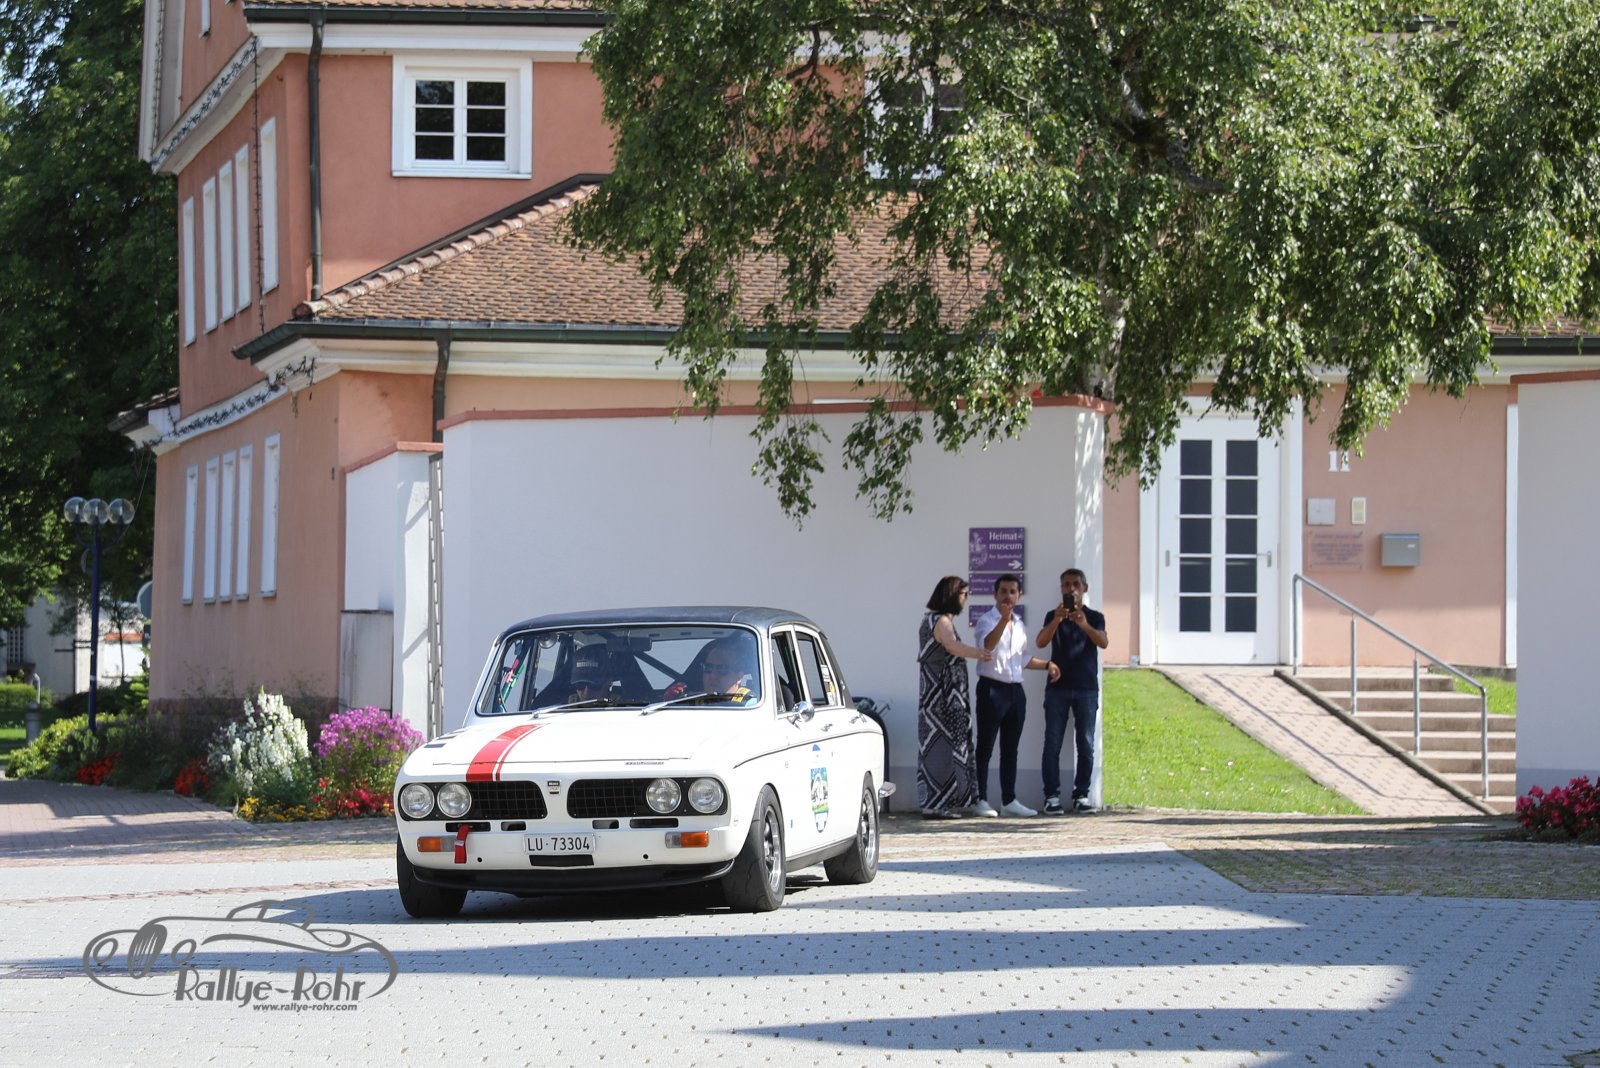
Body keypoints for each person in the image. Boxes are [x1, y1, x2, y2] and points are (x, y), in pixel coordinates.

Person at [973, 573, 1060, 817]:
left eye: (1012, 592)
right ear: (995, 594)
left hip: (1015, 691)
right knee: (985, 747)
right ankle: (980, 799)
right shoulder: (986, 620)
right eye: (1003, 591)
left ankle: (1009, 800)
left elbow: (1021, 658)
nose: (1007, 596)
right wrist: (1003, 620)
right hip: (992, 688)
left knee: (1010, 749)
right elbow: (987, 646)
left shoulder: (1020, 624)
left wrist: (1047, 665)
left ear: (1019, 596)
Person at [1035, 568, 1109, 814]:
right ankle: (1051, 796)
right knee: (1052, 743)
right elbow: (1041, 642)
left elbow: (1103, 642)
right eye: (1066, 585)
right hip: (1057, 689)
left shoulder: (1094, 617)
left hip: (1086, 688)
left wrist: (1084, 625)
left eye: (1076, 584)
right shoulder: (1052, 615)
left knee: (1086, 744)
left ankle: (1081, 795)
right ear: (1061, 588)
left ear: (1084, 588)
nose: (1071, 589)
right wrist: (1057, 619)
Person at [917, 576, 991, 820]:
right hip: (943, 697)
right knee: (945, 745)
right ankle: (939, 804)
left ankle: (938, 803)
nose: (965, 599)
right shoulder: (941, 621)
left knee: (938, 745)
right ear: (951, 595)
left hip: (938, 696)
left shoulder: (931, 620)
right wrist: (978, 653)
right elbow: (950, 645)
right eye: (963, 594)